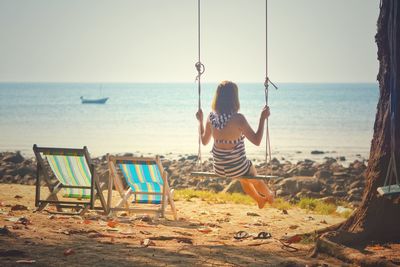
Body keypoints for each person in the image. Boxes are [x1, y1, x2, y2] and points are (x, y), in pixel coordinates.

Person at [196, 80, 274, 209]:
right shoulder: (238, 119)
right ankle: (269, 195)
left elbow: (204, 142)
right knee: (251, 175)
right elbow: (257, 140)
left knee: (243, 177)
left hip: (219, 168)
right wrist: (262, 119)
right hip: (237, 167)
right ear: (234, 98)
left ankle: (259, 200)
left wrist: (200, 121)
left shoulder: (211, 118)